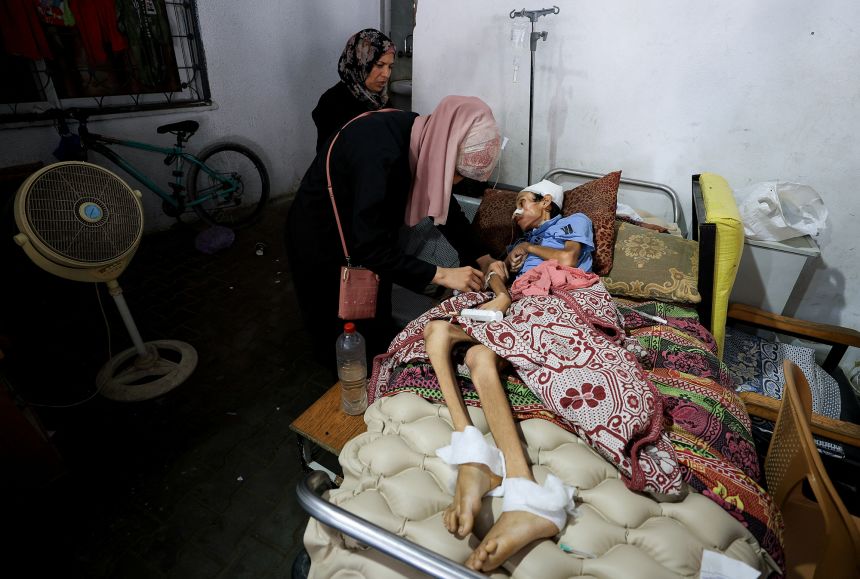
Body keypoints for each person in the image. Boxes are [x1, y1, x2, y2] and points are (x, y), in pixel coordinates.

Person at [423, 180, 594, 572]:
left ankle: (519, 486)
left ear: (546, 201)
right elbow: (497, 276)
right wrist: (499, 283)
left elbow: (568, 259)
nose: (516, 213)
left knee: (479, 354)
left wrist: (529, 250)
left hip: (559, 298)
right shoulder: (519, 244)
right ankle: (474, 455)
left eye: (522, 203)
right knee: (437, 333)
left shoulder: (573, 222)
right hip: (517, 303)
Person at [285, 96, 502, 370]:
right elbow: (369, 246)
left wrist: (481, 256)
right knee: (341, 333)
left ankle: (378, 370)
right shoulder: (380, 150)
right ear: (447, 149)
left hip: (368, 239)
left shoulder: (428, 141)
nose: (456, 182)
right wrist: (442, 274)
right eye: (457, 173)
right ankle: (344, 388)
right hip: (322, 239)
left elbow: (444, 206)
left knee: (376, 321)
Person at [312, 29, 396, 153]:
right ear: (359, 62)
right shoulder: (332, 102)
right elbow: (330, 156)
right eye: (379, 65)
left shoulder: (381, 100)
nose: (386, 74)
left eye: (390, 67)